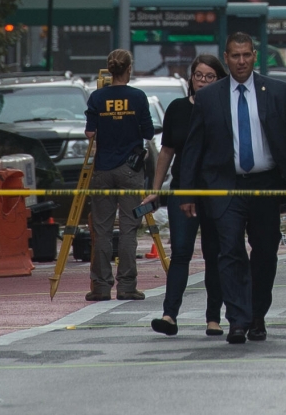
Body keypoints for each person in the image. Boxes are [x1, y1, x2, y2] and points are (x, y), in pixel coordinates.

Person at [179, 33, 286, 345]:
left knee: (265, 251)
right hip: (226, 184)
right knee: (230, 251)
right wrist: (186, 191)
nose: (241, 61)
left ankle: (257, 315)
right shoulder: (210, 97)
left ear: (254, 56)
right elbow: (193, 148)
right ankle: (237, 319)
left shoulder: (278, 92)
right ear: (226, 58)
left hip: (266, 185)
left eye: (246, 55)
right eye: (235, 56)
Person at [145, 54, 227, 337]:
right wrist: (155, 191)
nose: (202, 81)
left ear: (219, 79)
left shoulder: (224, 107)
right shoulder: (178, 109)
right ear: (191, 78)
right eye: (198, 75)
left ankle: (213, 318)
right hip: (182, 188)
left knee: (213, 255)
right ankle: (169, 315)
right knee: (180, 252)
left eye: (209, 76)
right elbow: (166, 152)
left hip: (215, 190)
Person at [84, 49, 155, 301]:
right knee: (128, 228)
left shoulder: (97, 97)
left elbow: (90, 134)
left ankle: (101, 286)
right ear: (129, 69)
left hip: (103, 168)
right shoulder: (137, 97)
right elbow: (148, 132)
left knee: (101, 230)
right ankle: (126, 285)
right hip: (130, 169)